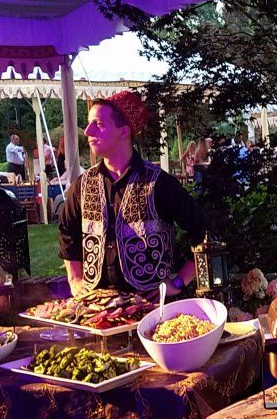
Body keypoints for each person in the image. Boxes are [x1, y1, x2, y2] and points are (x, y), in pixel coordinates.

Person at [58, 91, 209, 299]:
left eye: (98, 124)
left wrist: (178, 281)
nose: (87, 131)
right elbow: (67, 230)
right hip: (96, 309)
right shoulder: (83, 185)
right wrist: (75, 278)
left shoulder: (158, 183)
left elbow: (205, 231)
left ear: (124, 132)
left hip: (152, 311)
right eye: (88, 123)